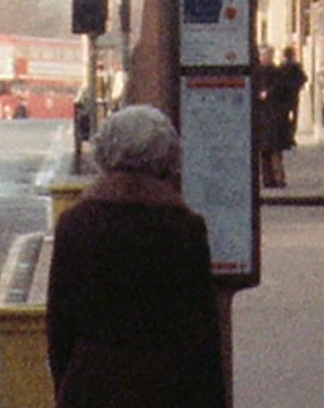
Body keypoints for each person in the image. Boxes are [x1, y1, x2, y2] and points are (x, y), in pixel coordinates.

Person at [46, 106, 225, 408]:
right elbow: (201, 331)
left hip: (91, 384)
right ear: (167, 158)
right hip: (166, 387)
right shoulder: (184, 228)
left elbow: (60, 324)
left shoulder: (76, 223)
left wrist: (66, 387)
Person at [255, 46, 290, 188]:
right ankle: (267, 179)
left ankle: (278, 178)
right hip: (263, 116)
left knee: (275, 150)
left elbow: (283, 92)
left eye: (267, 55)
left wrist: (269, 94)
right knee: (264, 151)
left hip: (274, 116)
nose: (265, 58)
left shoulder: (278, 73)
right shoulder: (257, 73)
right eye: (263, 55)